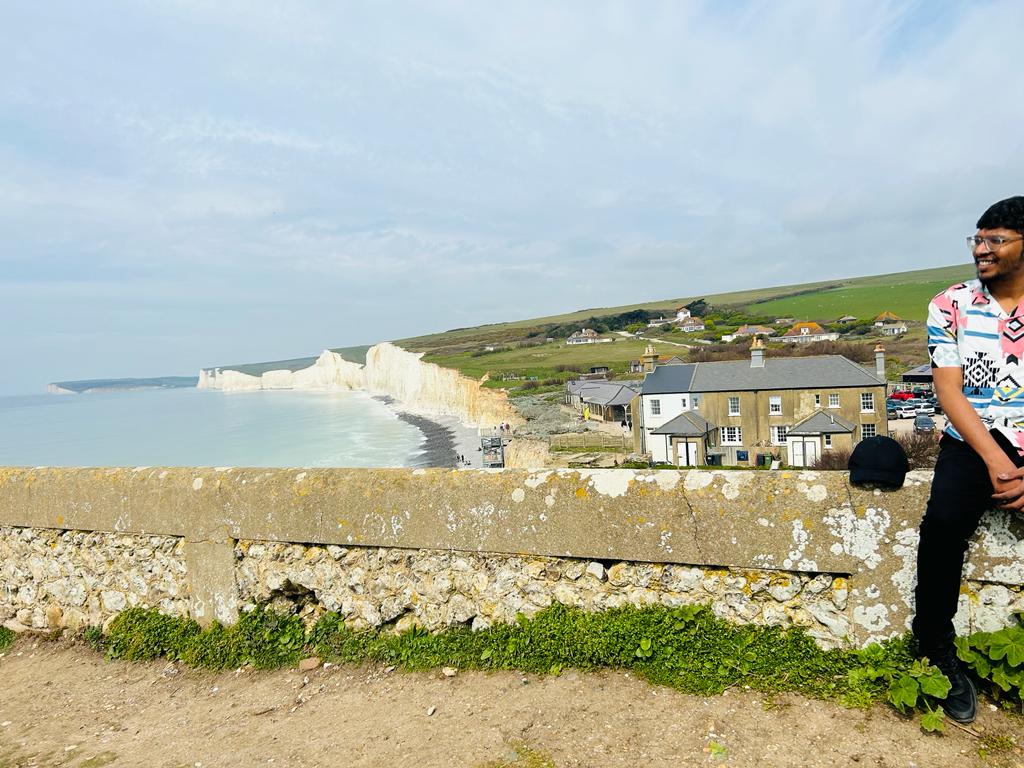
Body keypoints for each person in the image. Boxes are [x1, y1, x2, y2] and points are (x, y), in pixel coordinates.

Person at [919, 195, 1024, 723]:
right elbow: (949, 391)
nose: (982, 249)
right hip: (973, 437)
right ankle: (934, 648)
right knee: (942, 526)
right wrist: (997, 462)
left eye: (996, 240)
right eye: (977, 240)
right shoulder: (950, 304)